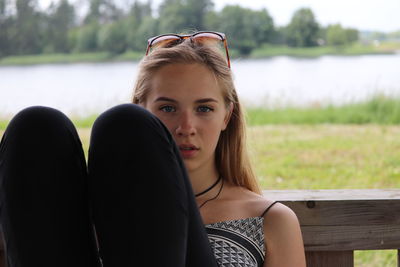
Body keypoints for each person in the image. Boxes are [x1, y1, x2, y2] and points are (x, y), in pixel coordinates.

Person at [0, 31, 305, 267]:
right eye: (168, 108)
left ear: (227, 115)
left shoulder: (269, 219)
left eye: (204, 109)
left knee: (122, 121)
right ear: (145, 110)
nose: (186, 126)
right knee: (36, 126)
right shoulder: (99, 210)